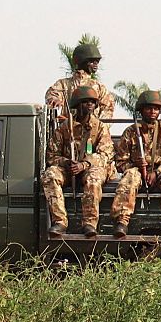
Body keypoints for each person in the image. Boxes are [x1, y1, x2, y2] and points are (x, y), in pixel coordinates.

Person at [111, 90, 161, 237]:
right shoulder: (130, 132)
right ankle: (122, 222)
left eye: (155, 109)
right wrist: (135, 166)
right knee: (129, 177)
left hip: (160, 172)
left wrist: (157, 172)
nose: (152, 112)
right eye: (148, 108)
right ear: (141, 110)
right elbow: (120, 161)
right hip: (137, 172)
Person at [41, 85, 113, 236]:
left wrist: (84, 164)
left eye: (92, 102)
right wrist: (66, 163)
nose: (90, 105)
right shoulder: (65, 128)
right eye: (85, 102)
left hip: (91, 169)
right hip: (69, 170)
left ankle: (89, 224)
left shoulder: (100, 128)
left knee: (94, 178)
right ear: (77, 105)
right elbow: (51, 155)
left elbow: (105, 154)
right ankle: (60, 222)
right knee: (50, 174)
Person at [45, 42, 116, 120]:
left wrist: (96, 127)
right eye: (92, 61)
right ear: (82, 61)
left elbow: (108, 111)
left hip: (91, 130)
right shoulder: (63, 85)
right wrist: (55, 101)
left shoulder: (100, 88)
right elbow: (52, 97)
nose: (96, 64)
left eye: (97, 61)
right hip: (67, 129)